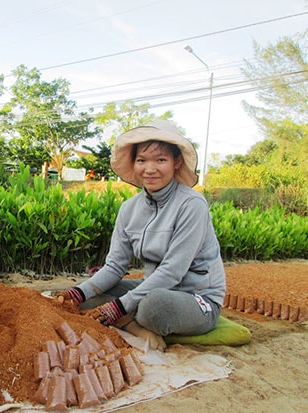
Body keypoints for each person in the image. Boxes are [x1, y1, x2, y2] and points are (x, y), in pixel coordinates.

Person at [58, 120, 225, 350]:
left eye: (161, 160)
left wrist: (118, 307)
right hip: (150, 288)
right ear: (134, 163)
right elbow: (115, 266)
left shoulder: (192, 204)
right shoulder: (129, 208)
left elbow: (172, 271)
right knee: (87, 291)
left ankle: (130, 318)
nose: (150, 169)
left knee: (154, 308)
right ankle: (133, 326)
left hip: (195, 297)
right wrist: (77, 293)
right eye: (142, 160)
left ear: (176, 162)